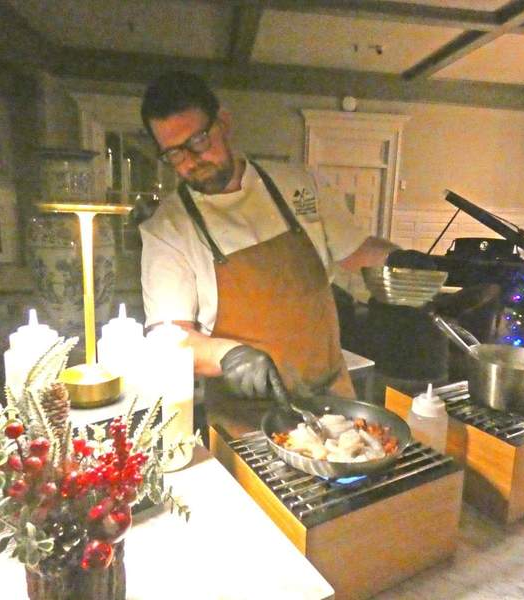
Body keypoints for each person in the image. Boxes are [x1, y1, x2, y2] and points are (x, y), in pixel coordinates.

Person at [138, 71, 403, 431]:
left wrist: (405, 261)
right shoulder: (168, 228)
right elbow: (169, 338)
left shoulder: (297, 183)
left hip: (333, 401)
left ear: (224, 123)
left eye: (198, 140)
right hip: (248, 420)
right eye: (173, 153)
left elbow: (354, 250)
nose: (190, 161)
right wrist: (227, 356)